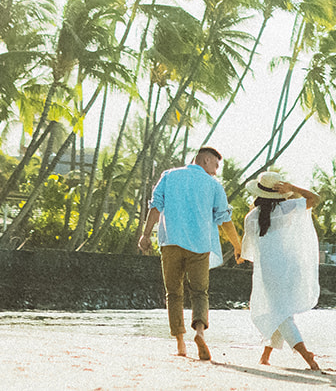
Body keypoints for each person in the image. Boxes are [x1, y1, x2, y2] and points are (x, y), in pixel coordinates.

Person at [136, 146, 242, 361]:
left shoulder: (169, 176)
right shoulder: (213, 185)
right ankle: (200, 333)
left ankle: (180, 343)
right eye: (215, 165)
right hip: (200, 245)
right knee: (200, 292)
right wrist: (238, 245)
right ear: (204, 160)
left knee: (173, 293)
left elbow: (155, 207)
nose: (216, 171)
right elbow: (224, 219)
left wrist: (145, 235)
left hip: (171, 242)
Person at [237, 171, 322, 370]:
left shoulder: (251, 217)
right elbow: (314, 198)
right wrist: (292, 187)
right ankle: (265, 356)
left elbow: (249, 251)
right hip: (291, 266)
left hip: (269, 269)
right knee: (279, 309)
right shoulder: (287, 208)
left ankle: (305, 354)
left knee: (279, 311)